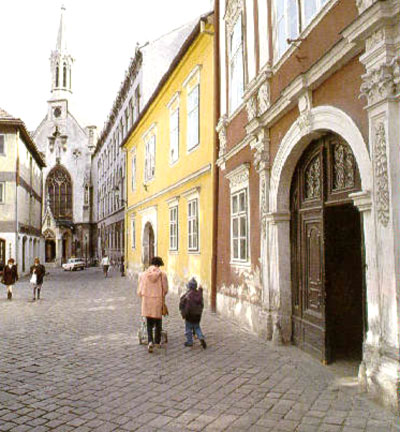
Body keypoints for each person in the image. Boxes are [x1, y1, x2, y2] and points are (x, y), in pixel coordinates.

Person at [137, 256, 168, 353]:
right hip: (157, 300)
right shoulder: (162, 275)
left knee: (149, 322)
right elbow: (165, 289)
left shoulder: (143, 274)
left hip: (147, 300)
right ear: (159, 265)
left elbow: (139, 290)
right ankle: (157, 342)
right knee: (158, 321)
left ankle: (150, 341)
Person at [179, 277, 207, 349]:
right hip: (197, 315)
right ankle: (200, 337)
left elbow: (182, 304)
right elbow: (202, 305)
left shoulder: (187, 295)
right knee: (197, 327)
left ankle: (189, 342)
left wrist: (184, 313)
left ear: (189, 287)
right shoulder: (199, 294)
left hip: (189, 315)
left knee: (188, 329)